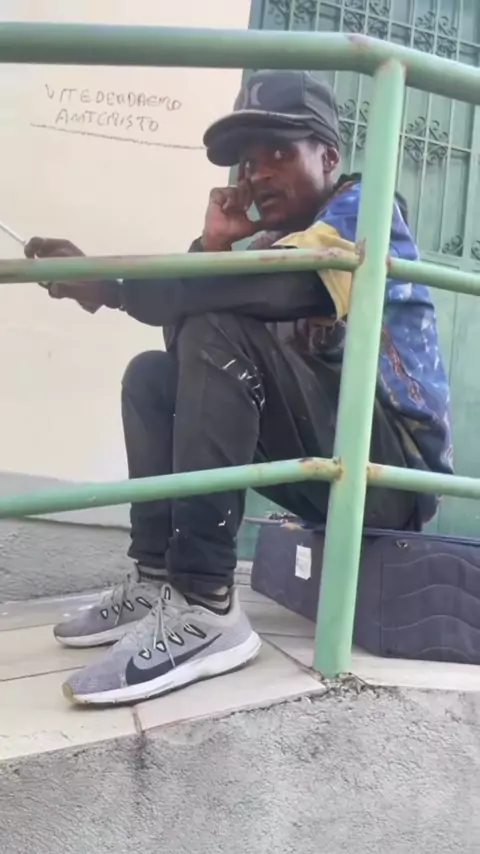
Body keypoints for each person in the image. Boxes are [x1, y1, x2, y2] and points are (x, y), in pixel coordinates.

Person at [25, 70, 453, 706]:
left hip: (391, 479)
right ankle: (157, 577)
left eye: (280, 152)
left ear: (328, 157)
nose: (258, 175)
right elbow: (189, 349)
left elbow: (279, 289)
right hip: (326, 466)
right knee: (152, 378)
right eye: (249, 163)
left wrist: (113, 285)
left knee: (219, 318)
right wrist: (214, 245)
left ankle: (207, 603)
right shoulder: (267, 243)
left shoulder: (364, 210)